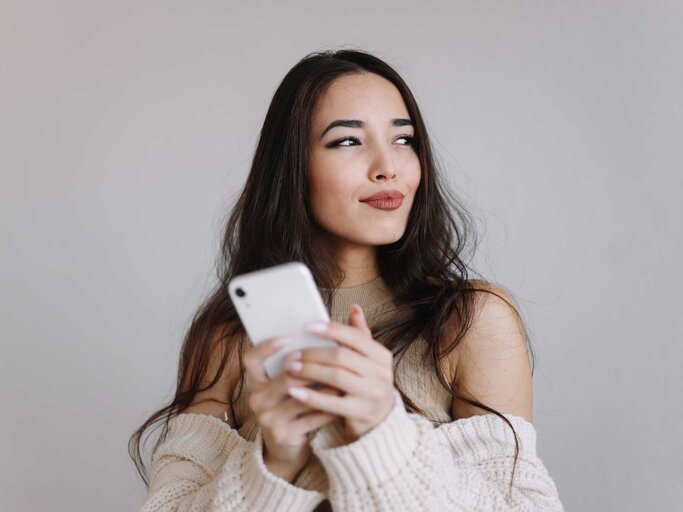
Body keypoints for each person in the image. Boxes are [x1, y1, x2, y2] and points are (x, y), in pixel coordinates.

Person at [130, 49, 564, 511]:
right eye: (347, 142)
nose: (387, 166)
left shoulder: (471, 320)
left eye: (404, 139)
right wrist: (275, 463)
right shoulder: (228, 336)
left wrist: (383, 433)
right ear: (292, 167)